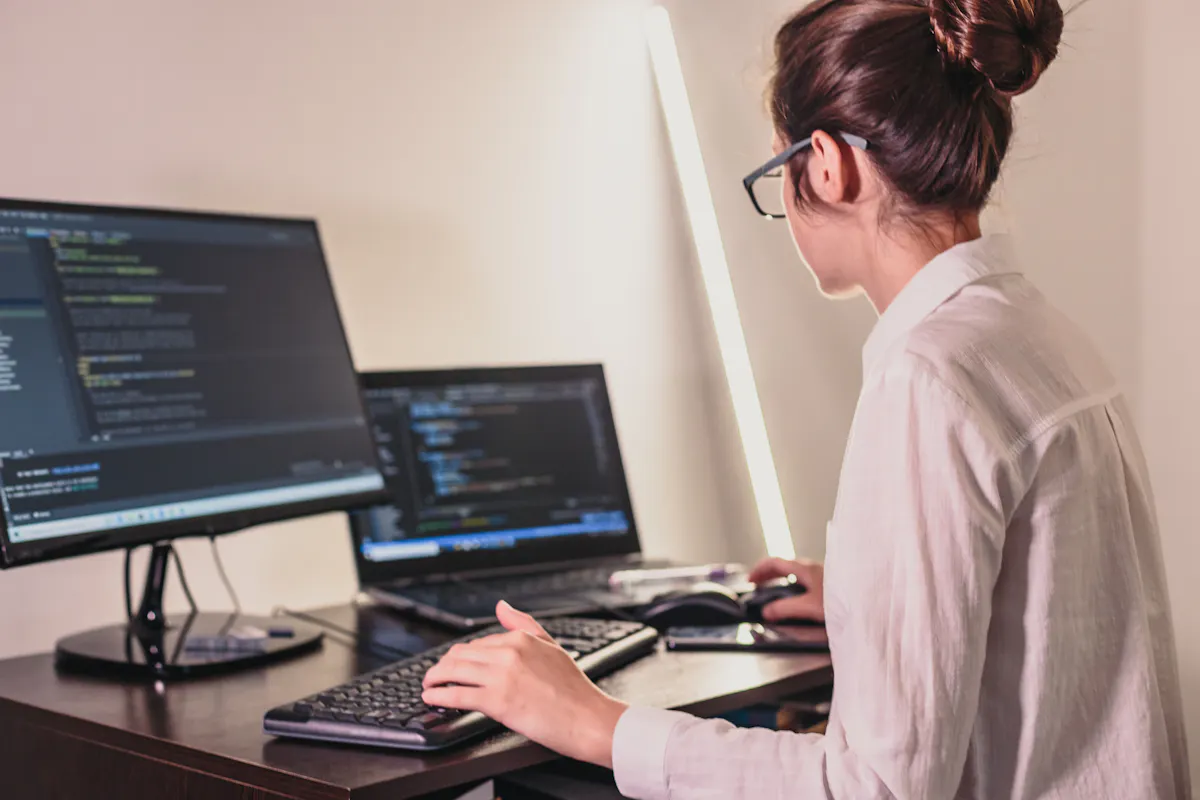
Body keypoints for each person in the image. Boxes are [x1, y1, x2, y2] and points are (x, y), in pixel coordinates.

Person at [423, 0, 1193, 797]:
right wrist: (873, 604)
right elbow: (1048, 617)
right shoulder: (1034, 334)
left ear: (826, 163)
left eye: (776, 169)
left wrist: (591, 720)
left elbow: (875, 788)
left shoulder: (929, 376)